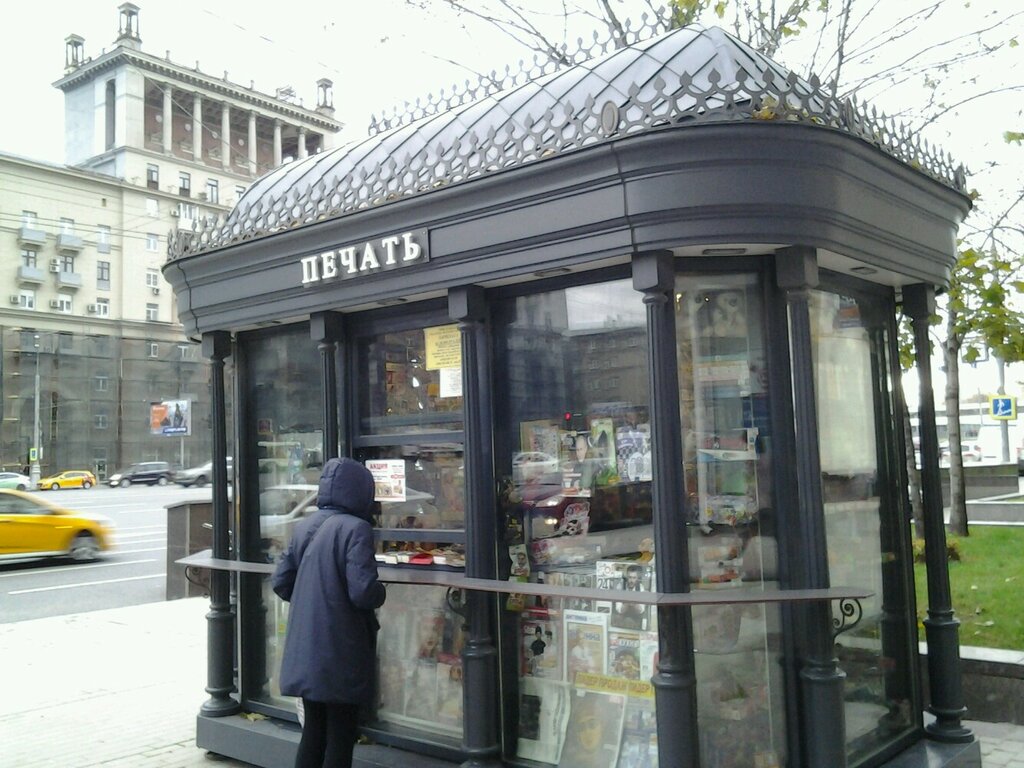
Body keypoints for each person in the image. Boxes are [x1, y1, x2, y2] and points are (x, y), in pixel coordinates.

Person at [272, 457, 387, 768]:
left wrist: (311, 599)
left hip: (306, 646)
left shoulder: (304, 526)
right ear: (361, 492)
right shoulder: (357, 529)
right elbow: (363, 592)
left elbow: (280, 581)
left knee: (313, 731)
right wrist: (381, 592)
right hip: (341, 648)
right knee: (340, 734)